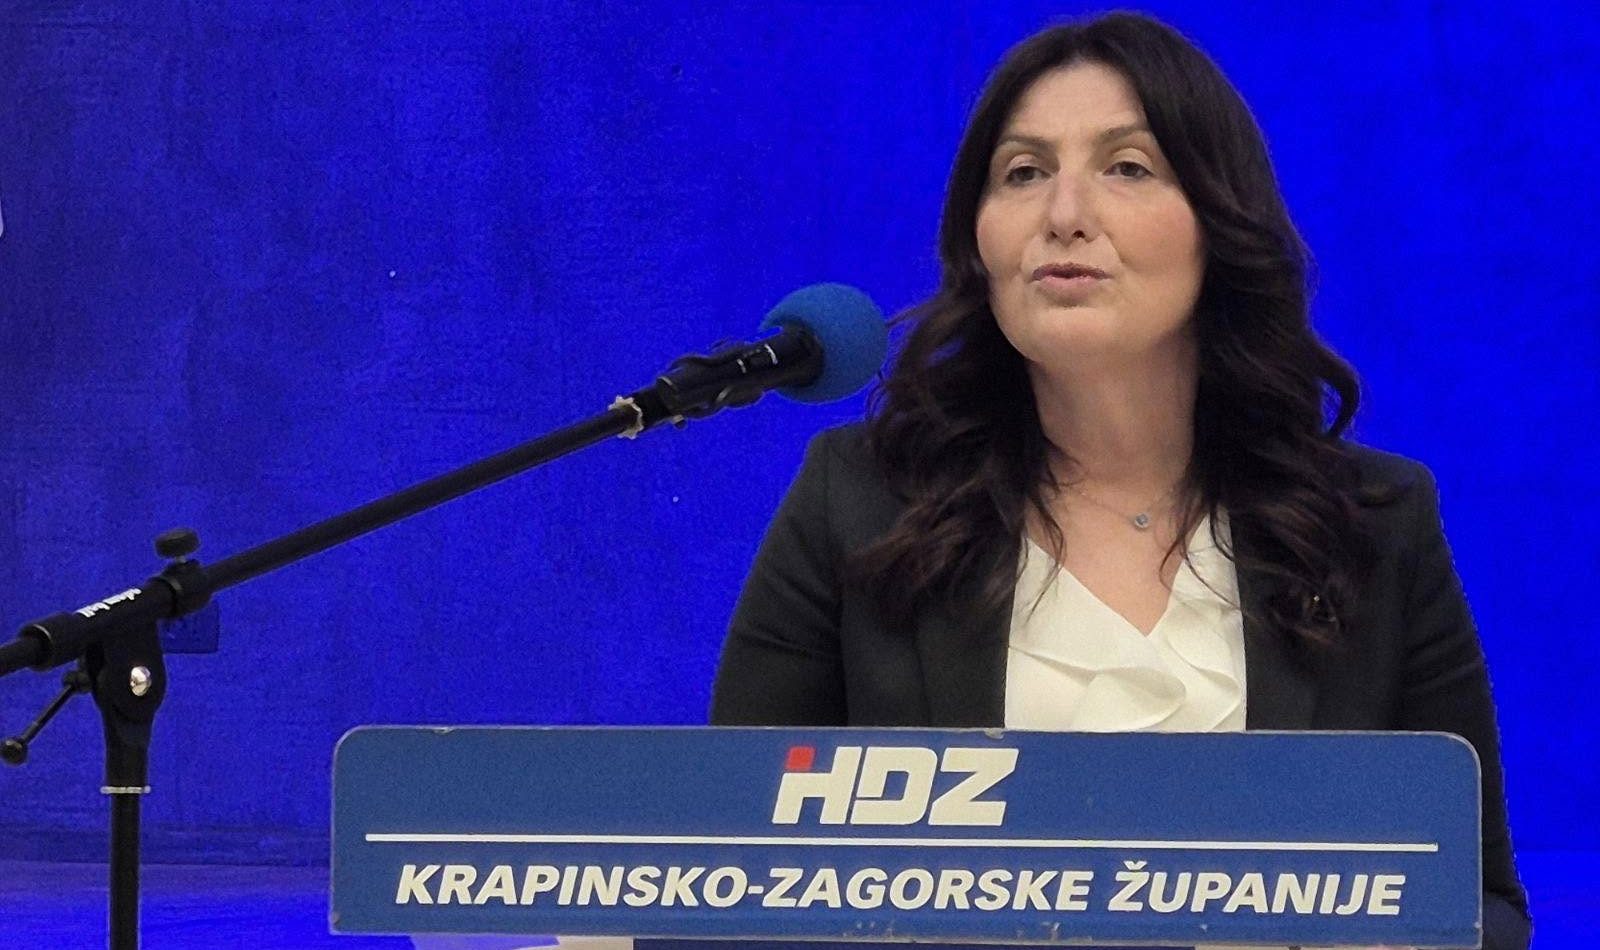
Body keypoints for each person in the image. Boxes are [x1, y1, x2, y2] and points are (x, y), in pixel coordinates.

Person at [709, 11, 1530, 950]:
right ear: (979, 242)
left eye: (1127, 167)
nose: (1064, 214)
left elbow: (1484, 906)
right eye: (1023, 173)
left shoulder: (1371, 523)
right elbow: (724, 878)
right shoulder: (859, 502)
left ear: (1218, 222)